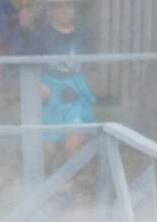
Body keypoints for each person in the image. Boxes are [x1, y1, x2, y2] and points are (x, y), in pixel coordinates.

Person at [18, 0, 95, 162]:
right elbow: (28, 64)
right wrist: (38, 84)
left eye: (68, 5)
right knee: (49, 149)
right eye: (59, 6)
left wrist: (85, 85)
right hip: (50, 93)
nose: (64, 10)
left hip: (74, 92)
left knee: (74, 140)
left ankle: (73, 180)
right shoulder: (41, 36)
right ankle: (50, 180)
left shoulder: (82, 35)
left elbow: (88, 64)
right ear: (51, 10)